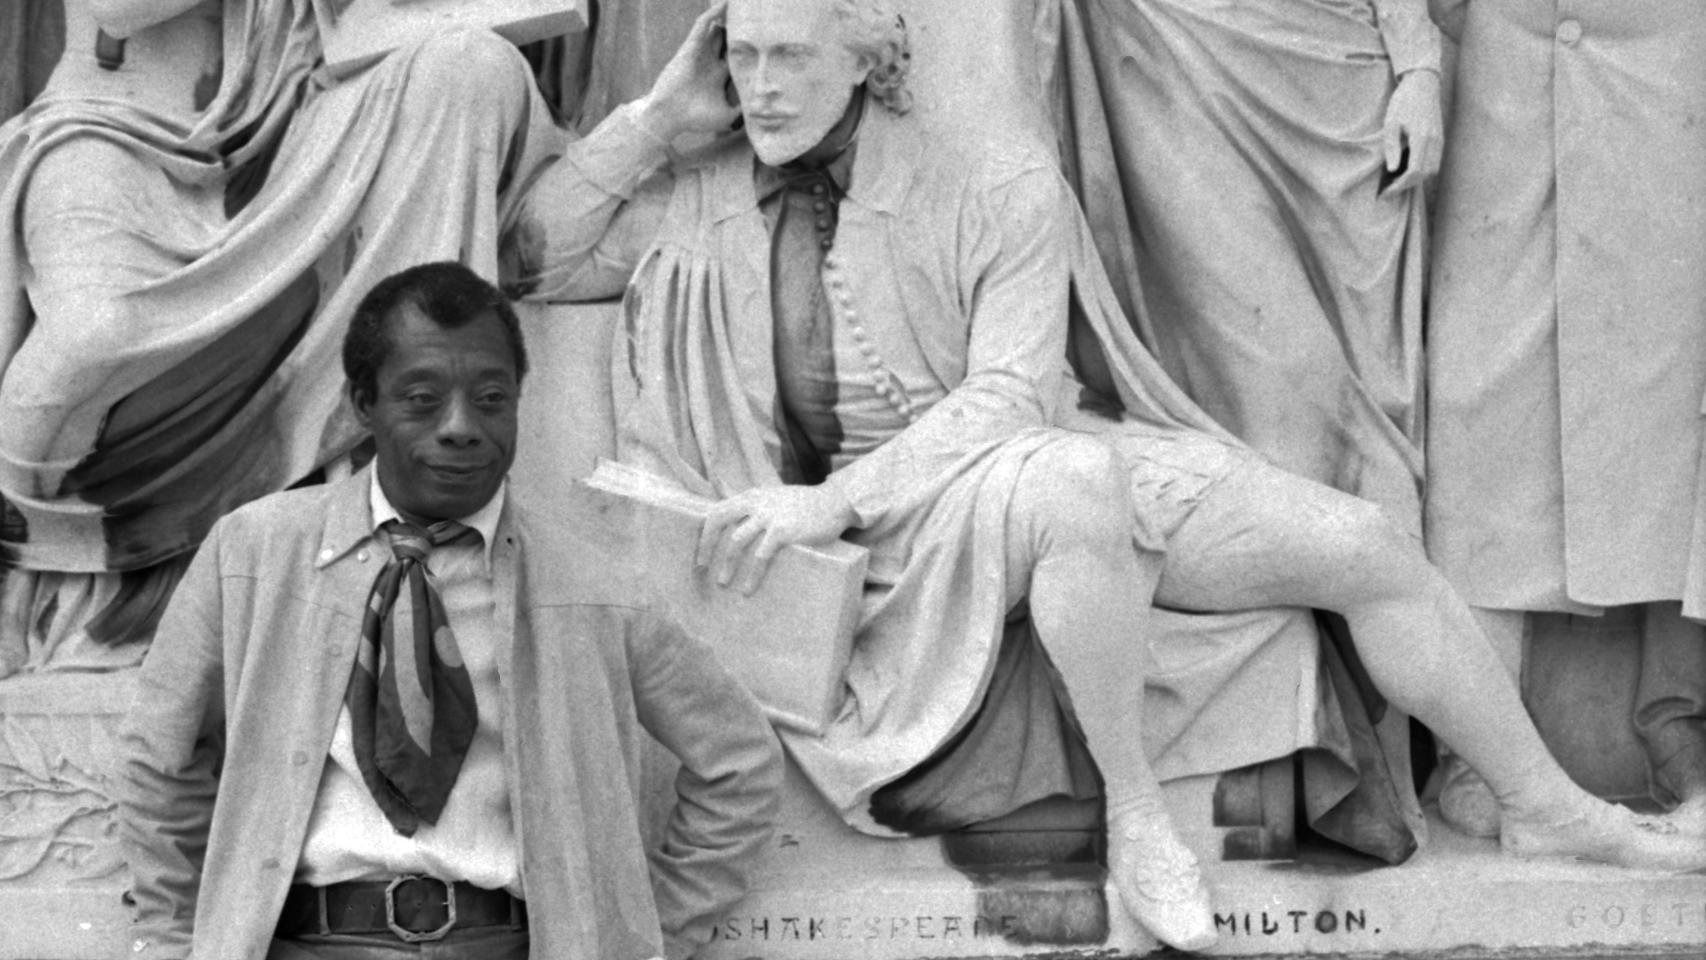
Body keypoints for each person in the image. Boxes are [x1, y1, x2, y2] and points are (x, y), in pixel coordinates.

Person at [517, 0, 1706, 951]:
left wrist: (826, 498)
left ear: (867, 56)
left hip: (976, 465)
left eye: (788, 54)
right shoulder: (698, 193)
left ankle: (1550, 806)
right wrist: (651, 126)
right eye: (742, 53)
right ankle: (1140, 822)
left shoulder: (987, 181)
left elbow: (1009, 396)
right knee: (1073, 484)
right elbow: (532, 253)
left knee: (1358, 543)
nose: (761, 82)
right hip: (929, 524)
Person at [116, 262, 784, 960]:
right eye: (422, 398)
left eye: (491, 397)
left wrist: (649, 935)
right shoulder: (253, 554)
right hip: (306, 944)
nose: (461, 427)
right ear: (361, 403)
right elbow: (160, 759)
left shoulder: (596, 582)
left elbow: (737, 763)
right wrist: (172, 941)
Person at [0, 0, 561, 676]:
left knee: (472, 66)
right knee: (96, 333)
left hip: (289, 124)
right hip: (114, 128)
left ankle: (388, 517)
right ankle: (17, 566)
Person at [1424, 1, 1706, 835]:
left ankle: (1681, 734)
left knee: (1676, 395)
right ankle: (1479, 746)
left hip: (1668, 58)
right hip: (1503, 65)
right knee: (1480, 392)